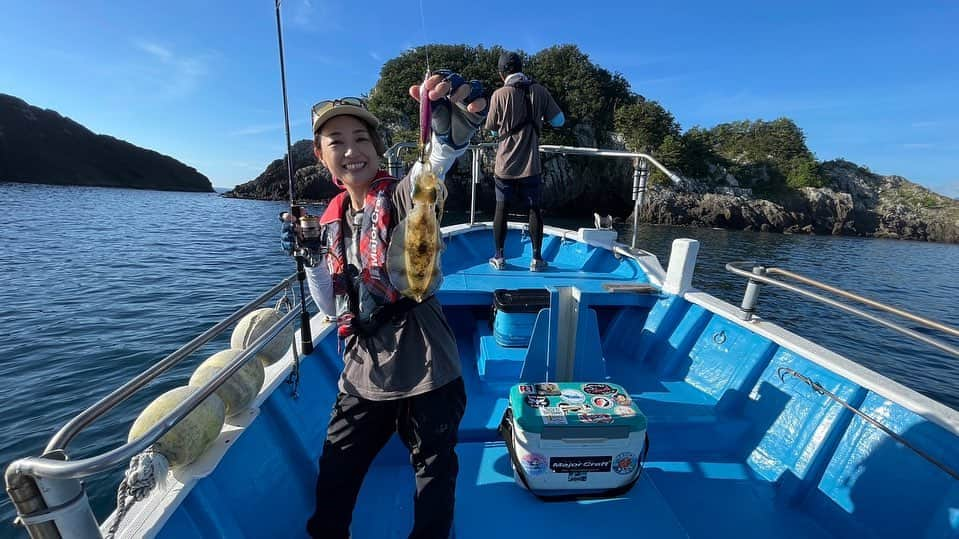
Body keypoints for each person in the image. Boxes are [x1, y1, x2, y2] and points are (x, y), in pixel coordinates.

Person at [281, 71, 487, 539]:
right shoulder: (331, 221)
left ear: (377, 148)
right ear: (320, 155)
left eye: (361, 138)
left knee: (434, 475)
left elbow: (427, 175)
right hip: (363, 368)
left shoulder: (398, 193)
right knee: (336, 470)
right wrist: (311, 255)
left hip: (427, 362)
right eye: (336, 141)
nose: (351, 150)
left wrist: (447, 140)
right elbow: (331, 306)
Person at [484, 51, 565, 271]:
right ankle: (537, 259)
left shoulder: (499, 95)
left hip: (505, 165)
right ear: (522, 68)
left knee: (502, 208)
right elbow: (559, 121)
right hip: (532, 164)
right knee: (535, 209)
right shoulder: (540, 91)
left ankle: (499, 257)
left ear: (502, 74)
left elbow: (490, 129)